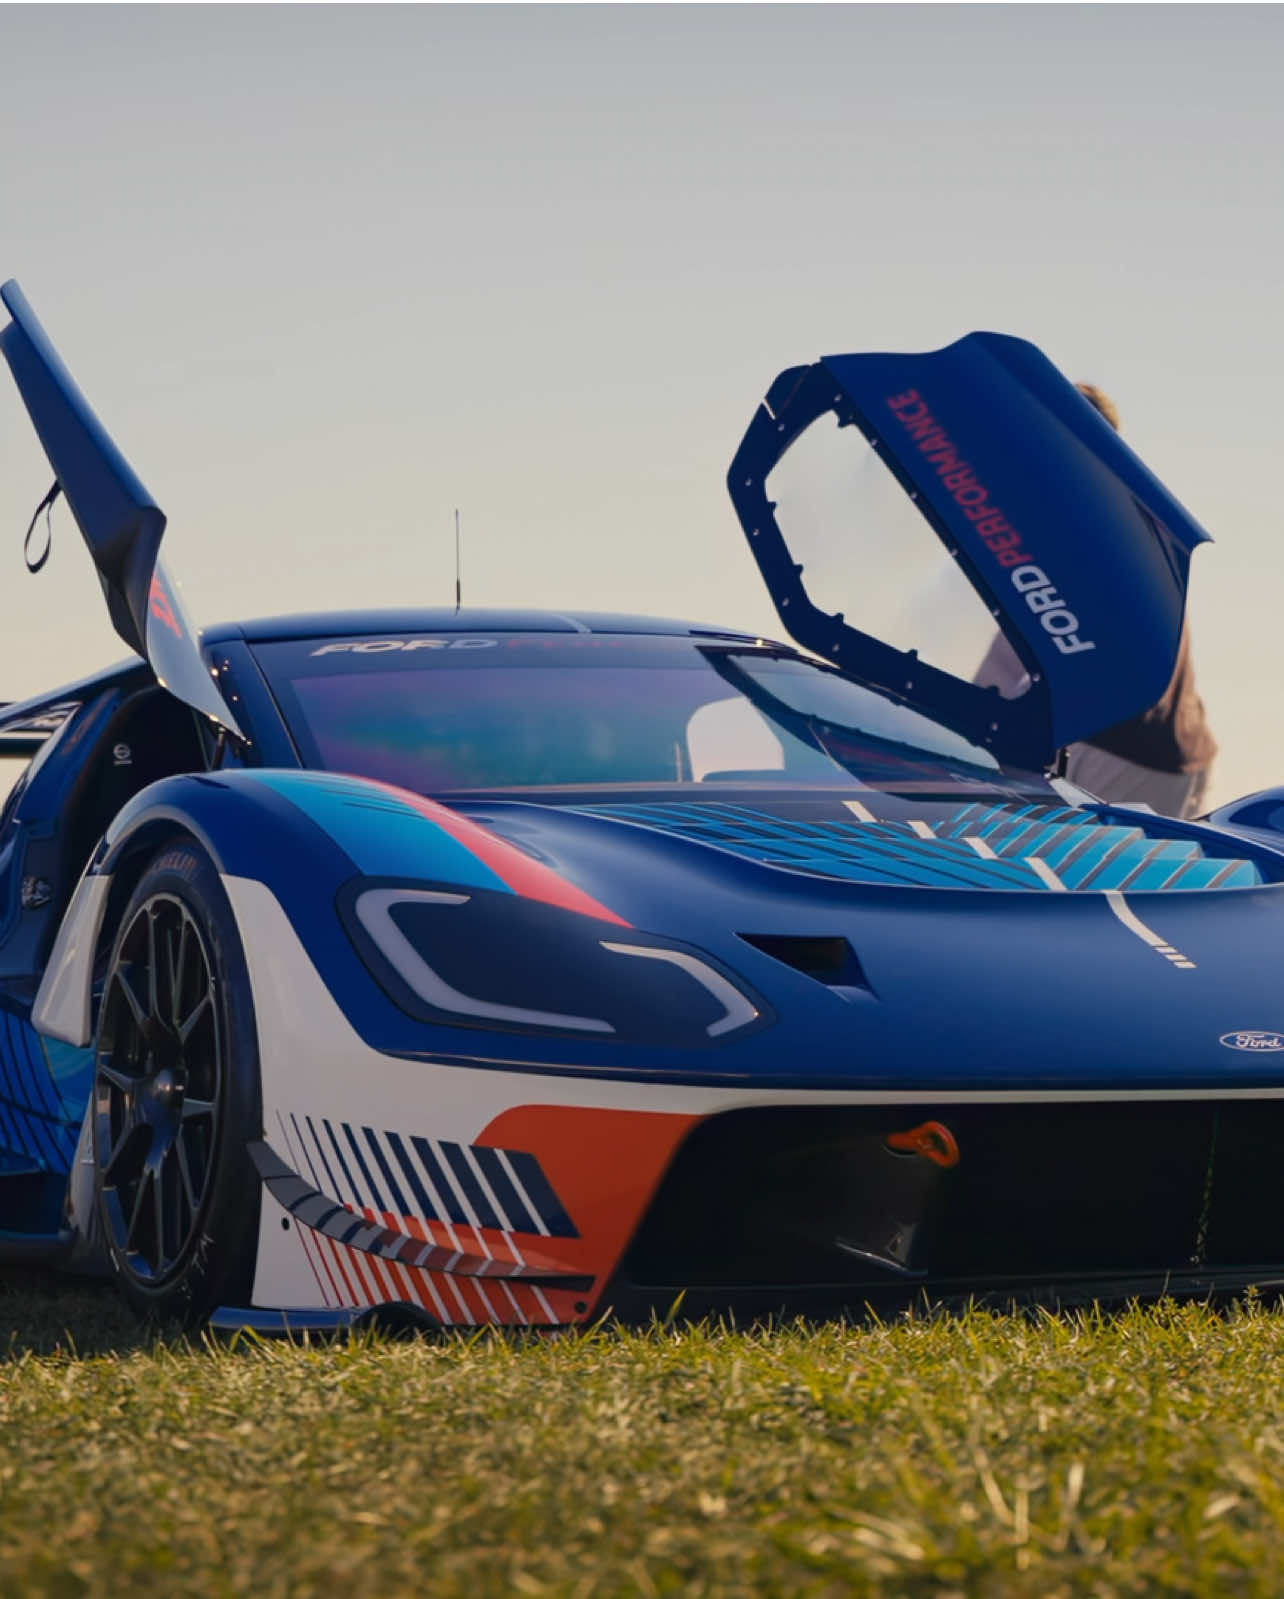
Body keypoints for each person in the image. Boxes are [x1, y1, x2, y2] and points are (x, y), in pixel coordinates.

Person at [974, 383, 1216, 817]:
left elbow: (1016, 660)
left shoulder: (1076, 518)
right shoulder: (1115, 512)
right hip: (1174, 751)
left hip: (1115, 751)